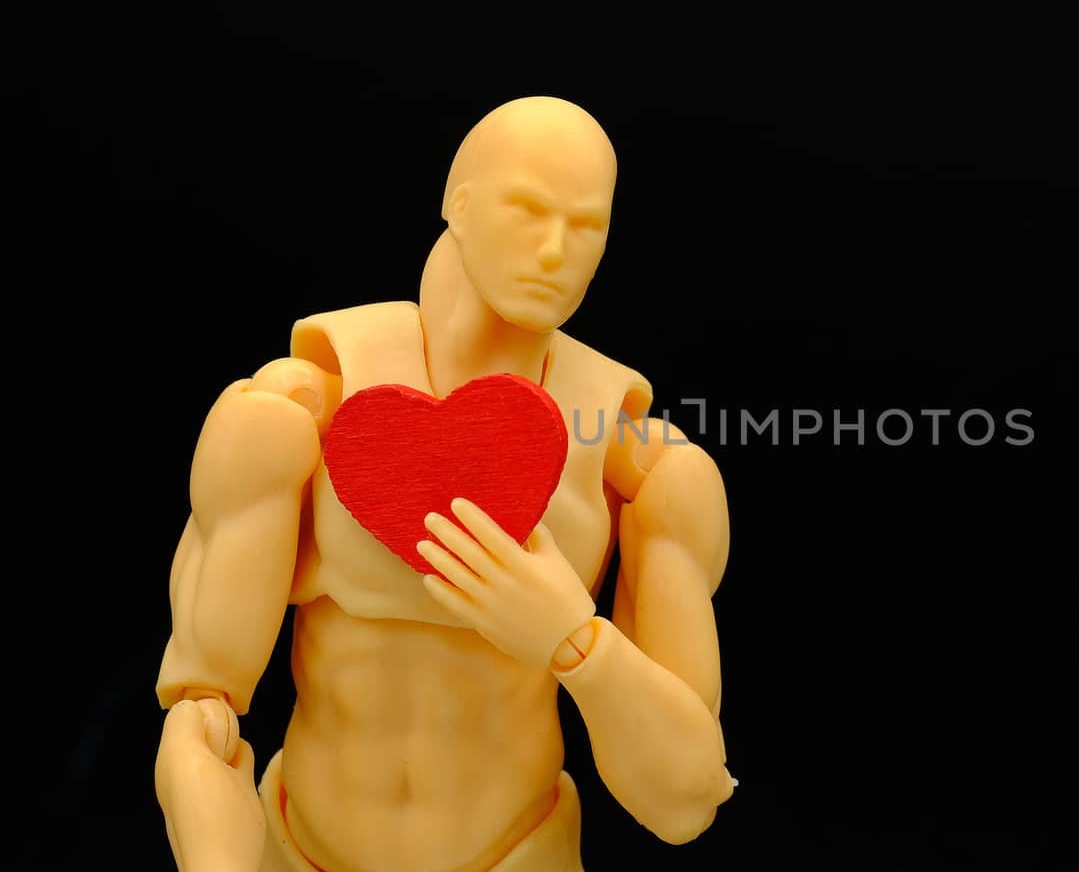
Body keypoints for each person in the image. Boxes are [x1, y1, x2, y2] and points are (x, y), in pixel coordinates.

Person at [154, 96, 735, 872]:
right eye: (528, 210)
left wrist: (574, 642)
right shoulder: (297, 414)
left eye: (586, 225)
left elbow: (684, 799)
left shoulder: (644, 469)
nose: (556, 251)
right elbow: (203, 717)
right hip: (299, 852)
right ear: (457, 203)